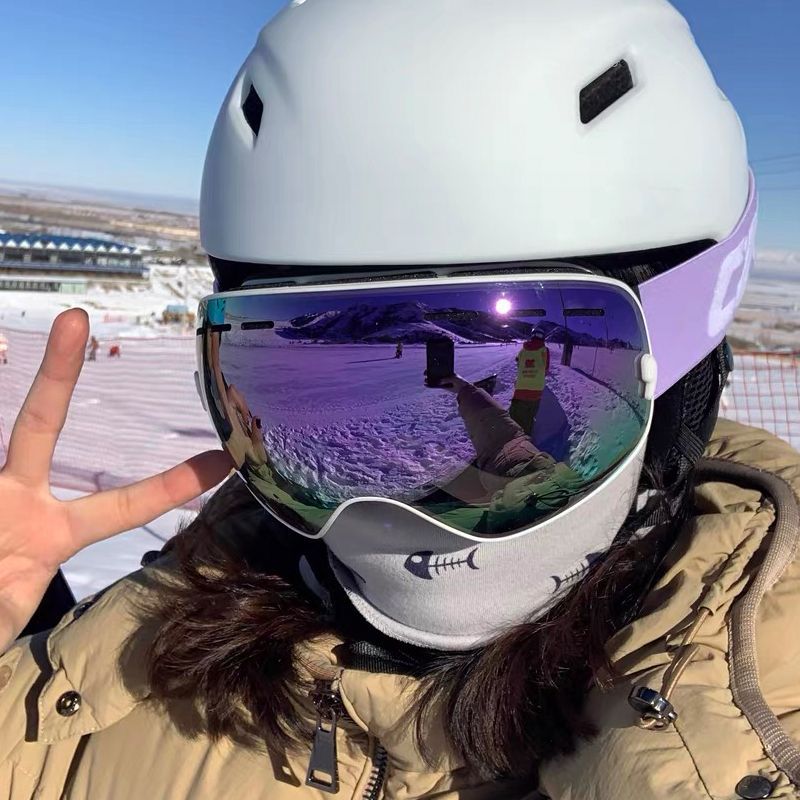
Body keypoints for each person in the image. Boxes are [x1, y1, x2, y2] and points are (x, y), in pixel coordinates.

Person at [0, 4, 794, 800]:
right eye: (278, 387)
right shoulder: (145, 672)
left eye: (543, 356)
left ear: (681, 377)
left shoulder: (752, 743)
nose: (401, 517)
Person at [509, 330, 550, 436]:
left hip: (520, 389)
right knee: (529, 418)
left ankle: (511, 439)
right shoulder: (544, 350)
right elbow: (546, 369)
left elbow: (518, 364)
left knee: (513, 419)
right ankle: (525, 440)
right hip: (536, 390)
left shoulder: (523, 350)